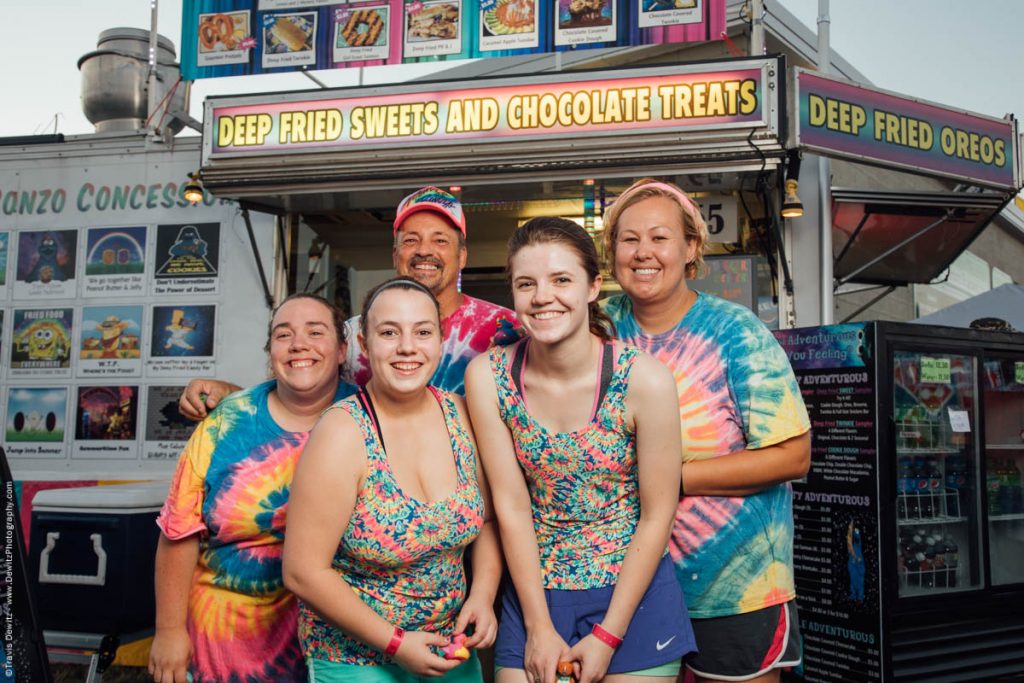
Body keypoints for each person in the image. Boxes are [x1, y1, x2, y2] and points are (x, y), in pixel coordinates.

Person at [465, 217, 696, 683]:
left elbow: (658, 514)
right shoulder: (487, 377)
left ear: (593, 287)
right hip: (535, 591)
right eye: (526, 283)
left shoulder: (644, 380)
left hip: (634, 594)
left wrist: (610, 635)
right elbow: (510, 505)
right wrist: (537, 625)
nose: (542, 296)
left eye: (561, 280)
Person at [601, 178, 811, 683]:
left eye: (659, 237)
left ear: (691, 247)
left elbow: (792, 457)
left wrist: (669, 479)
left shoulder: (735, 332)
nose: (642, 252)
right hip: (625, 587)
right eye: (628, 240)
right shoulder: (599, 329)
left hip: (734, 588)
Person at [283, 277, 502, 681]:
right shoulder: (342, 433)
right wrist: (396, 642)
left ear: (440, 340)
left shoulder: (464, 415)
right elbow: (302, 571)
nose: (407, 347)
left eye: (422, 332)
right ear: (365, 345)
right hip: (355, 660)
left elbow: (488, 520)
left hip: (449, 652)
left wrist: (483, 596)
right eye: (389, 333)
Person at [179, 186, 515, 420]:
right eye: (411, 240)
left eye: (440, 240)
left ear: (462, 256)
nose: (424, 250)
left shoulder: (506, 330)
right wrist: (232, 397)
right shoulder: (353, 336)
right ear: (396, 256)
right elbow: (296, 399)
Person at [149, 293, 350, 683]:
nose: (298, 345)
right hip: (223, 640)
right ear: (270, 351)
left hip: (333, 643)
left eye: (316, 332)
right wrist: (169, 630)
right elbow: (178, 530)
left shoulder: (365, 418)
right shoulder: (226, 421)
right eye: (283, 334)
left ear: (342, 350)